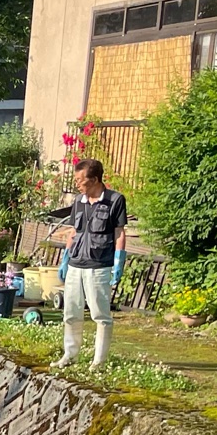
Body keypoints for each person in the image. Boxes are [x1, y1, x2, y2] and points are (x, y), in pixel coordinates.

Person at [55, 158, 127, 371]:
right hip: (76, 264)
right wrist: (65, 258)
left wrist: (118, 261)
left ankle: (99, 361)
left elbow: (119, 233)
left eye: (80, 180)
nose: (77, 184)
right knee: (71, 312)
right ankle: (70, 354)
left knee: (100, 315)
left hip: (99, 265)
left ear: (94, 179)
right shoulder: (79, 201)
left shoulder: (115, 200)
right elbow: (74, 231)